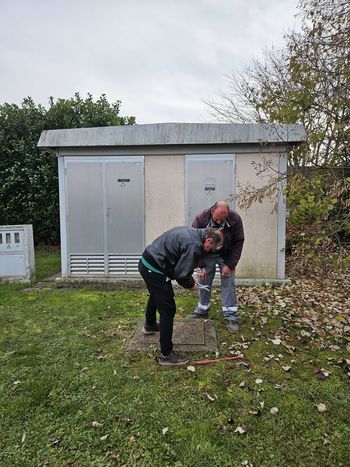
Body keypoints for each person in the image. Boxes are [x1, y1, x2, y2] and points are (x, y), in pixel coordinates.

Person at [138, 226, 223, 366]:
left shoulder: (196, 234)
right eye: (211, 248)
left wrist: (201, 266)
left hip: (148, 261)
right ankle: (166, 355)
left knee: (156, 294)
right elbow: (181, 274)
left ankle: (150, 325)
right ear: (208, 240)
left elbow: (189, 253)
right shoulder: (195, 244)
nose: (209, 251)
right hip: (154, 268)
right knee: (168, 309)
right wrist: (191, 285)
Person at [190, 201, 244, 333]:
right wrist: (200, 265)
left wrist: (230, 265)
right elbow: (194, 242)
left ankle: (230, 315)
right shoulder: (200, 219)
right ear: (211, 211)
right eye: (217, 218)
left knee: (228, 281)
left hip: (226, 255)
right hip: (207, 254)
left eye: (223, 219)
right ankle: (202, 310)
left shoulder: (235, 219)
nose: (219, 221)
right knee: (203, 280)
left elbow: (239, 242)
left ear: (228, 213)